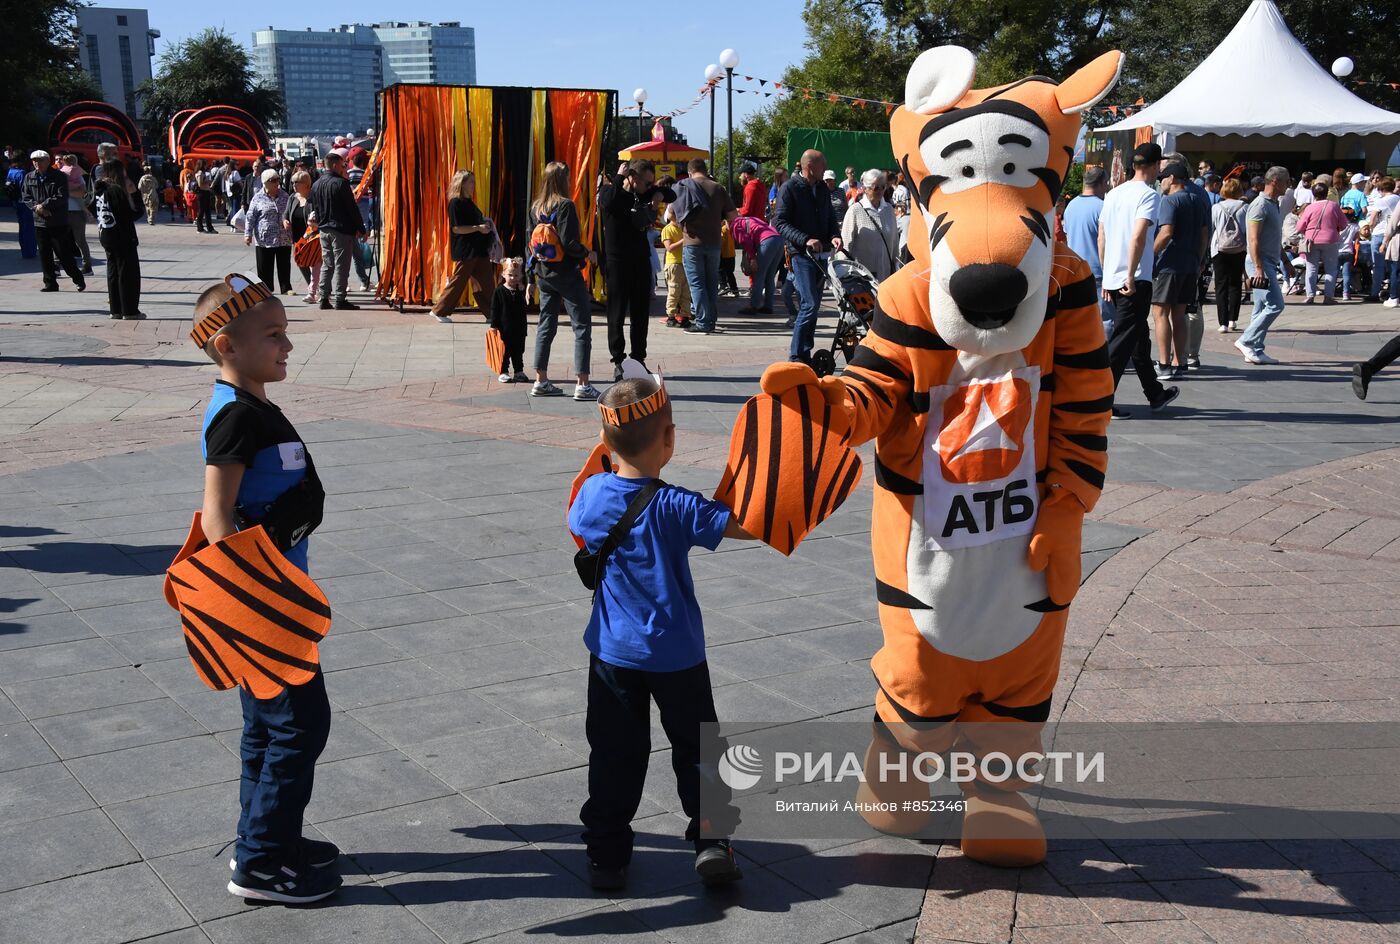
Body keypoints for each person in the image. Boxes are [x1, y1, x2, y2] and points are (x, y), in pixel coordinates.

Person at [568, 370, 750, 892]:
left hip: (612, 656)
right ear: (669, 441)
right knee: (699, 751)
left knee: (614, 754)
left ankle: (606, 854)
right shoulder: (679, 505)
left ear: (604, 441)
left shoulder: (593, 494)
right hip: (678, 656)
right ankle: (713, 841)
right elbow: (740, 523)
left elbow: (581, 513)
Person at [191, 277, 340, 905]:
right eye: (273, 335)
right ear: (227, 345)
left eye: (285, 330)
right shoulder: (234, 419)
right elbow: (217, 517)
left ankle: (267, 834)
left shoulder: (252, 405)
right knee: (299, 727)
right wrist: (250, 607)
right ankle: (259, 864)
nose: (287, 344)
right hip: (263, 608)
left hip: (274, 598)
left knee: (266, 727)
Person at [1098, 142, 1178, 416]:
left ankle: (1154, 393)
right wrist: (1129, 275)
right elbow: (1138, 235)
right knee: (1122, 340)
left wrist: (1109, 275)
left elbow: (1103, 236)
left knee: (1137, 336)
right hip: (1135, 278)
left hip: (1115, 277)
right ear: (1156, 166)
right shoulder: (1149, 195)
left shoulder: (1113, 193)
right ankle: (1098, 400)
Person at [529, 160, 597, 400]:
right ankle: (583, 383)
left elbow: (532, 243)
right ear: (562, 180)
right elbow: (569, 243)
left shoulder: (536, 207)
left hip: (544, 274)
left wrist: (531, 275)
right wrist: (587, 253)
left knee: (546, 325)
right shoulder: (566, 206)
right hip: (566, 273)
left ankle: (541, 379)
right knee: (581, 327)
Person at [773, 149, 843, 365]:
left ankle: (805, 354)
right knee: (809, 303)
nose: (826, 168)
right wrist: (805, 240)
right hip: (800, 255)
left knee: (813, 306)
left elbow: (830, 217)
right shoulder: (790, 188)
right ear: (810, 167)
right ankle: (796, 356)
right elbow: (780, 223)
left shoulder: (822, 188)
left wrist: (834, 235)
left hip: (821, 255)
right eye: (823, 165)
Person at [598, 159, 663, 378]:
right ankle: (618, 360)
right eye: (646, 182)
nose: (648, 186)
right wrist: (618, 177)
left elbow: (669, 193)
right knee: (616, 312)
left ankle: (638, 358)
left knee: (640, 312)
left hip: (640, 261)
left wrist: (656, 195)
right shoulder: (611, 192)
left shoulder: (643, 194)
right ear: (633, 178)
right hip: (617, 262)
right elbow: (607, 204)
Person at [1151, 161, 1207, 378]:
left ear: (1172, 178)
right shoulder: (1197, 200)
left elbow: (1166, 233)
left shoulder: (1170, 201)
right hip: (1190, 265)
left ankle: (1164, 364)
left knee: (1160, 313)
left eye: (1163, 177)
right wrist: (1199, 259)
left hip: (1168, 265)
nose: (1161, 182)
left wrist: (1148, 256)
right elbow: (1204, 234)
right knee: (1179, 314)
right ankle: (1180, 362)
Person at [1236, 166, 1292, 365]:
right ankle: (1246, 340)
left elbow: (1273, 239)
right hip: (1260, 263)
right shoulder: (1259, 205)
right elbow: (1253, 239)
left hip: (1269, 261)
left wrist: (1285, 261)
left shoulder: (1273, 204)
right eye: (1286, 181)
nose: (1289, 185)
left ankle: (1255, 349)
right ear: (1275, 181)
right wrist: (1258, 268)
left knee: (1260, 308)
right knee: (1276, 304)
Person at [675, 158, 737, 335]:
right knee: (711, 283)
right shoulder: (718, 188)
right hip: (714, 243)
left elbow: (670, 215)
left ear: (690, 172)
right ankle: (711, 319)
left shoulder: (683, 186)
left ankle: (703, 322)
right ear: (705, 169)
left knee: (696, 284)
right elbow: (733, 215)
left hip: (692, 243)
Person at [431, 169, 495, 324]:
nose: (473, 184)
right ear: (462, 183)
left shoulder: (468, 202)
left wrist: (484, 224)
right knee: (459, 281)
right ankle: (439, 310)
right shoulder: (455, 203)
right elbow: (457, 228)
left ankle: (493, 313)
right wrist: (478, 227)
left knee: (485, 281)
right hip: (466, 249)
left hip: (477, 248)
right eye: (470, 181)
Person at [310, 151, 367, 311]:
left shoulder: (316, 184)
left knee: (327, 264)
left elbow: (314, 208)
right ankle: (340, 298)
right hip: (341, 230)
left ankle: (323, 297)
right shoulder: (341, 184)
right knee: (342, 265)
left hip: (324, 229)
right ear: (334, 165)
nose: (344, 167)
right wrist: (361, 229)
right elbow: (352, 209)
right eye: (342, 165)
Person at [22, 150, 85, 293]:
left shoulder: (59, 176)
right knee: (45, 255)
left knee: (63, 254)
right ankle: (50, 283)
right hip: (40, 221)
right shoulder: (29, 177)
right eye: (34, 160)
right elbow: (26, 196)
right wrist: (37, 208)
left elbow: (62, 195)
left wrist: (44, 205)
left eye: (40, 160)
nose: (37, 163)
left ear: (47, 161)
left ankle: (77, 278)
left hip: (57, 221)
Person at [1061, 166, 1112, 335]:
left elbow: (1068, 237)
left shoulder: (1071, 206)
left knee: (1078, 319)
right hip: (1098, 271)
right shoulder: (1103, 208)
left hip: (1074, 271)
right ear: (1102, 183)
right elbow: (1107, 241)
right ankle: (1106, 357)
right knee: (1105, 320)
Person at [92, 158, 143, 320]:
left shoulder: (100, 190)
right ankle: (129, 310)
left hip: (106, 234)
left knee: (113, 272)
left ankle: (116, 309)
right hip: (122, 236)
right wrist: (134, 194)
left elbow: (91, 208)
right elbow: (130, 215)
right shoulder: (115, 190)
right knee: (128, 273)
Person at [839, 168, 899, 282]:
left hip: (887, 277)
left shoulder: (889, 210)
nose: (880, 191)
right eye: (876, 187)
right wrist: (845, 278)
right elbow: (845, 247)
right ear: (865, 189)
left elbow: (895, 242)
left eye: (883, 187)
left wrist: (896, 267)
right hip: (863, 279)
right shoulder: (855, 210)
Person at [1296, 180, 1347, 304]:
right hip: (1330, 239)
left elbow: (1299, 227)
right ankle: (1328, 297)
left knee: (1311, 268)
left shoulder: (1309, 207)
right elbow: (1344, 224)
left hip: (1312, 240)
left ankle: (1310, 296)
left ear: (1313, 194)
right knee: (1331, 269)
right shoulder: (1334, 206)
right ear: (1327, 193)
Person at [245, 169, 294, 296]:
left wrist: (287, 221)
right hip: (264, 237)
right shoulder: (257, 198)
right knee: (264, 265)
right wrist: (248, 234)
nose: (277, 183)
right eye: (273, 180)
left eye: (278, 180)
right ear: (265, 183)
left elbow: (289, 212)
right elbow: (250, 217)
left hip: (283, 236)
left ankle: (286, 287)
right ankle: (265, 289)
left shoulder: (285, 196)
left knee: (284, 263)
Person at [1210, 178, 1249, 332]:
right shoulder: (1245, 207)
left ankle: (1223, 322)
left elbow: (1211, 229)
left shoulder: (1216, 208)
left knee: (1220, 285)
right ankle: (1233, 319)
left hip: (1219, 249)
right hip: (1239, 248)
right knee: (1235, 284)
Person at [731, 213, 784, 315]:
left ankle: (753, 306)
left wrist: (752, 258)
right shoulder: (751, 218)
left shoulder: (735, 224)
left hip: (767, 241)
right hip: (778, 239)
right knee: (770, 275)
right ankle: (768, 306)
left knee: (759, 275)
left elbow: (745, 241)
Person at [282, 170, 320, 304]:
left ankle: (315, 290)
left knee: (313, 264)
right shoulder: (293, 197)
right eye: (293, 182)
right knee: (300, 262)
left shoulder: (314, 198)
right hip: (297, 237)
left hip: (312, 236)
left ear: (306, 184)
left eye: (297, 183)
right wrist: (285, 220)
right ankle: (313, 288)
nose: (294, 185)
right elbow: (286, 214)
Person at [490, 257, 529, 383]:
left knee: (518, 351)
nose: (513, 278)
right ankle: (503, 371)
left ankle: (519, 371)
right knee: (504, 351)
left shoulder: (520, 291)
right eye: (510, 275)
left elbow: (523, 309)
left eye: (516, 275)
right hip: (504, 328)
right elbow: (494, 309)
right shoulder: (499, 291)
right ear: (503, 274)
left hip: (519, 328)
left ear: (521, 276)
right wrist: (494, 325)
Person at [59, 153, 95, 274]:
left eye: (61, 159)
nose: (59, 161)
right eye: (57, 159)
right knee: (59, 240)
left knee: (80, 240)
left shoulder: (75, 174)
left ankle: (87, 266)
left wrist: (67, 192)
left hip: (76, 213)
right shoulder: (61, 174)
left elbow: (82, 192)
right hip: (63, 211)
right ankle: (57, 265)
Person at [346, 151, 375, 292]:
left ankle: (345, 283)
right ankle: (364, 281)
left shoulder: (348, 174)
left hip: (350, 213)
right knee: (359, 251)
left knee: (346, 254)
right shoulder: (367, 174)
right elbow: (370, 193)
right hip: (363, 213)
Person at [660, 207, 691, 328]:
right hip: (673, 264)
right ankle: (671, 316)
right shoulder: (667, 229)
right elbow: (669, 247)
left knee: (686, 292)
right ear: (669, 216)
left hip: (685, 263)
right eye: (675, 213)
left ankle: (684, 316)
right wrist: (684, 240)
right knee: (674, 291)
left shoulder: (683, 228)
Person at [6, 157, 37, 258]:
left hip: (16, 202)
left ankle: (25, 249)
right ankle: (30, 251)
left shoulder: (11, 171)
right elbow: (25, 188)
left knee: (22, 227)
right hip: (25, 203)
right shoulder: (22, 173)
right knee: (29, 228)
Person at [718, 219, 739, 296]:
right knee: (730, 273)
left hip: (724, 254)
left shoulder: (723, 230)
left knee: (721, 271)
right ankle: (734, 289)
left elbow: (721, 242)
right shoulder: (731, 229)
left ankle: (724, 286)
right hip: (731, 254)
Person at [195, 160, 216, 234]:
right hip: (202, 193)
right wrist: (208, 181)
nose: (206, 166)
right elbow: (200, 184)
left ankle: (210, 227)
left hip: (206, 192)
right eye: (205, 164)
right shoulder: (200, 173)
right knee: (201, 211)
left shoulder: (203, 172)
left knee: (207, 211)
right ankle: (199, 227)